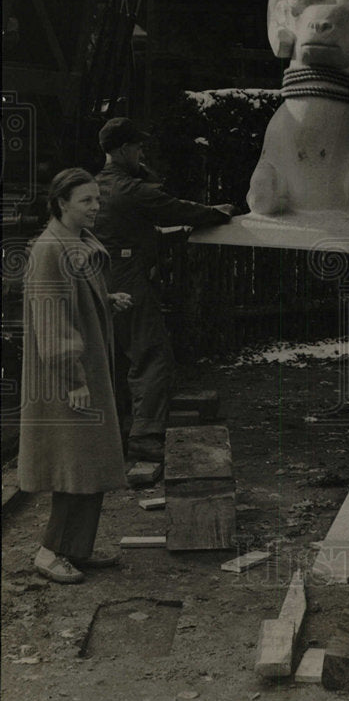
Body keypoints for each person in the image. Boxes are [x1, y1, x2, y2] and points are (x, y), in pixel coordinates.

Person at [93, 118, 235, 462]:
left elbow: (137, 232)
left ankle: (114, 431)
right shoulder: (132, 190)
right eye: (138, 147)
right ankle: (144, 436)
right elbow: (175, 206)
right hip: (128, 279)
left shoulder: (97, 186)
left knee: (114, 355)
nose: (143, 152)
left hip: (102, 275)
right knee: (151, 354)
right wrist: (218, 213)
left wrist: (175, 233)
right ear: (125, 149)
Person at [18, 168, 134, 584]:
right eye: (86, 200)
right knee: (73, 466)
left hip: (87, 370)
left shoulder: (77, 243)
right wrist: (75, 381)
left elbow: (76, 298)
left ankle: (75, 550)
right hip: (68, 376)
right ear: (62, 202)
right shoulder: (50, 249)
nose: (96, 207)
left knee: (90, 463)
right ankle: (49, 552)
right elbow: (53, 321)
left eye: (97, 200)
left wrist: (105, 299)